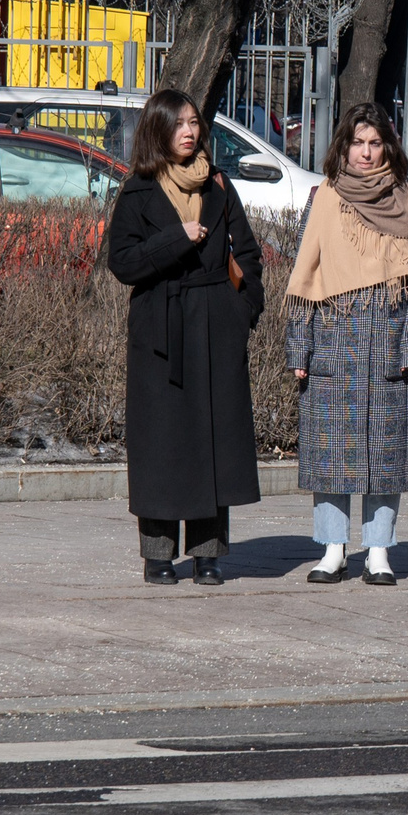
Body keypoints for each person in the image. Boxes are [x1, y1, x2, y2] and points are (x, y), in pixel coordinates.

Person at [108, 89, 266, 586]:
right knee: (162, 443)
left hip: (216, 327)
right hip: (161, 331)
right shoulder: (137, 191)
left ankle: (207, 553)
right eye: (179, 124)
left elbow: (251, 256)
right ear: (158, 130)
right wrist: (178, 238)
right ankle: (158, 553)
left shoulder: (219, 185)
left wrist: (242, 312)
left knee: (211, 441)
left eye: (195, 122)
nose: (190, 132)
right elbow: (124, 263)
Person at [285, 102, 408, 588]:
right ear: (343, 147)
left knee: (385, 458)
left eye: (374, 143)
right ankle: (331, 549)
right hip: (333, 342)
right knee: (329, 457)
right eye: (357, 143)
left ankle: (379, 551)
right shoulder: (324, 197)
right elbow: (304, 276)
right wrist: (299, 350)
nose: (366, 153)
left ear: (387, 146)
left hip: (389, 345)